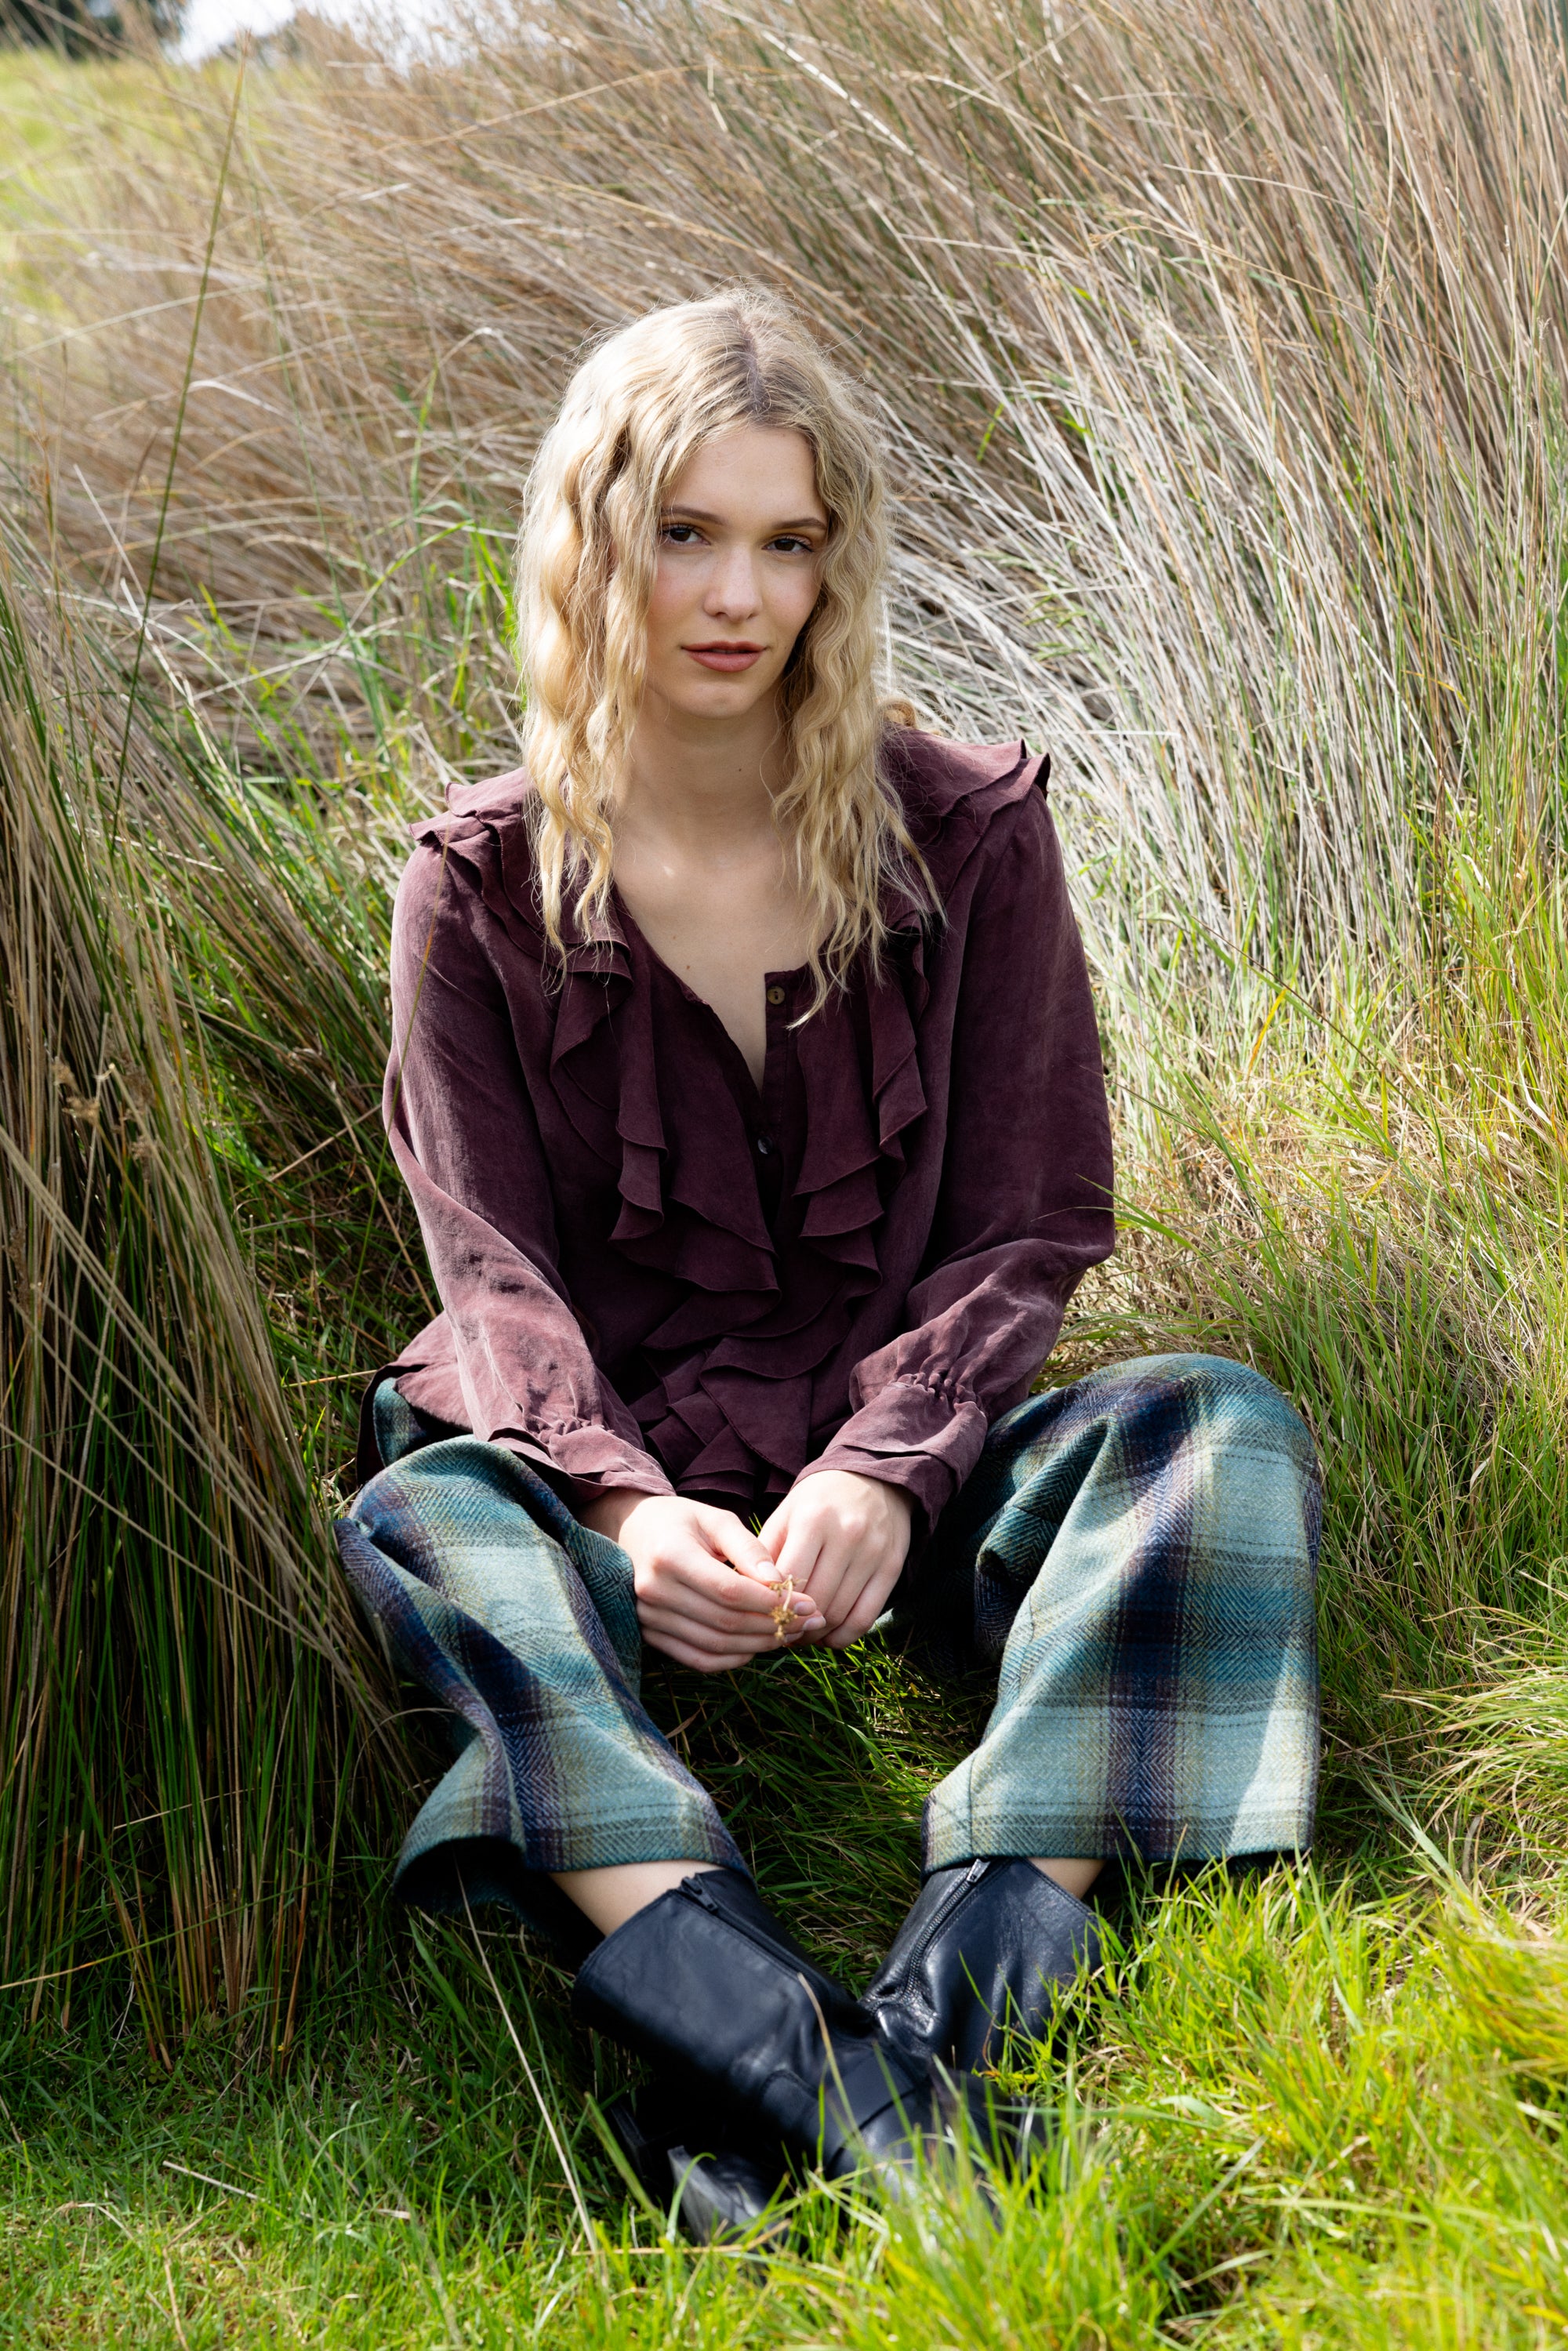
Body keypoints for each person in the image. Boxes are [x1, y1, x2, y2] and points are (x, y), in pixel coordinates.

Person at [336, 288, 1321, 2232]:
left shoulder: (968, 833)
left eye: (789, 543)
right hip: (607, 1470)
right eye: (685, 533)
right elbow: (491, 1272)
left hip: (896, 1463)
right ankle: (835, 2082)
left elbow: (1034, 1211)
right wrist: (616, 1512)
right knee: (430, 1520)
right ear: (588, 540)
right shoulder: (472, 884)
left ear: (836, 561)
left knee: (1215, 1431)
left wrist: (893, 1463)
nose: (736, 594)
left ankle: (921, 2035)